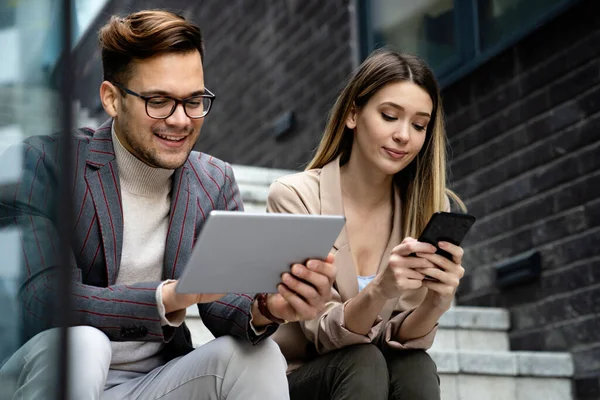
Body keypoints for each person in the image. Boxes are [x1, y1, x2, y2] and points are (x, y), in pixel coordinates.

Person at [0, 10, 336, 400]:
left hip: (153, 382)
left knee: (258, 357)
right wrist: (166, 298)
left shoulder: (214, 180)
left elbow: (223, 299)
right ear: (111, 99)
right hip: (41, 375)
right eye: (159, 101)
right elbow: (41, 299)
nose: (180, 120)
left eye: (194, 100)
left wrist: (268, 307)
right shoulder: (42, 164)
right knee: (84, 346)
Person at [267, 49, 467, 400]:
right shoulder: (296, 197)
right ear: (352, 115)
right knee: (362, 360)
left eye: (419, 125)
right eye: (390, 116)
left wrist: (437, 302)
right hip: (298, 376)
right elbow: (322, 332)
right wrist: (381, 289)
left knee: (415, 365)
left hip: (373, 373)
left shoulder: (426, 209)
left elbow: (401, 340)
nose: (404, 135)